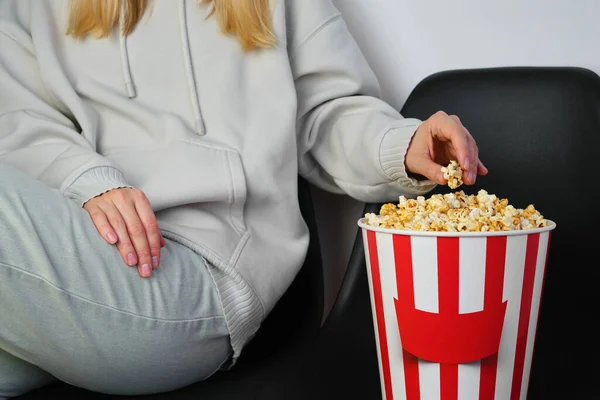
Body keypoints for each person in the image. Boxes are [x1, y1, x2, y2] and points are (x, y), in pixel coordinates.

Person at [0, 0, 487, 397]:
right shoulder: (35, 8)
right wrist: (88, 179)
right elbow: (15, 118)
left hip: (195, 272)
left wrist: (401, 147)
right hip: (69, 255)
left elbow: (329, 114)